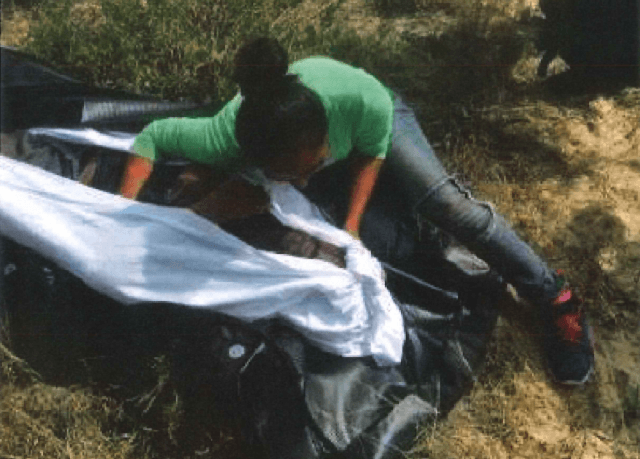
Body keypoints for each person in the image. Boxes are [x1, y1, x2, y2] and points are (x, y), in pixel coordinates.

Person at [121, 37, 594, 385]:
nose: (303, 181)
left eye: (314, 164)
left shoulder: (359, 103)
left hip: (382, 119)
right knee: (375, 240)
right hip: (299, 149)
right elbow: (153, 138)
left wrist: (350, 222)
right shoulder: (225, 138)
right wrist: (127, 212)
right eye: (289, 174)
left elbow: (372, 152)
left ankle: (555, 297)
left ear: (326, 134)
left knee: (443, 203)